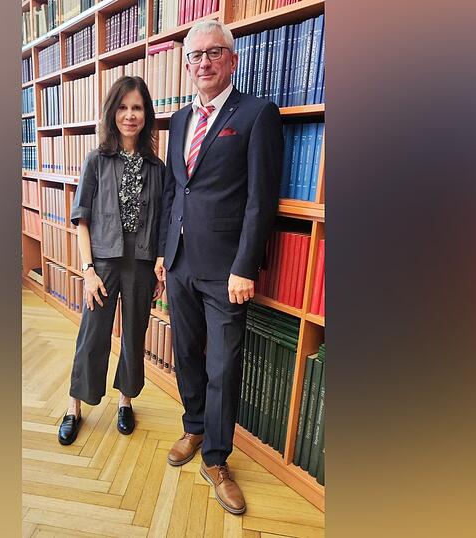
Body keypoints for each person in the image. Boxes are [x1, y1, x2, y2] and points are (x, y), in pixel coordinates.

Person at [155, 20, 283, 515]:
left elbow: (261, 199)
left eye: (213, 53)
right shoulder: (179, 120)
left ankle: (216, 458)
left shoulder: (256, 113)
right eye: (195, 55)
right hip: (180, 262)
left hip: (227, 269)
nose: (203, 62)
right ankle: (193, 427)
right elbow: (174, 191)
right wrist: (164, 253)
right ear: (186, 65)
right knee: (186, 352)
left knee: (224, 365)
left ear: (232, 59)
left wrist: (245, 265)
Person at [58, 76, 166, 445]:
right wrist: (88, 271)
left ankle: (125, 401)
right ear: (112, 112)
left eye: (137, 107)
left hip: (142, 263)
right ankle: (74, 406)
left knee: (135, 336)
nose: (130, 115)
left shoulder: (157, 167)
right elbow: (82, 220)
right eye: (122, 107)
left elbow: (163, 221)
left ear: (146, 115)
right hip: (102, 263)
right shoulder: (97, 160)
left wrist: (160, 268)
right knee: (92, 335)